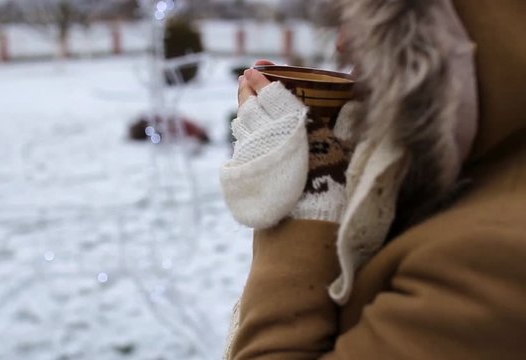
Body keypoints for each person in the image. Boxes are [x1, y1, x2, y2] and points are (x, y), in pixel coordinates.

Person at [220, 0, 526, 359]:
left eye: (376, 17)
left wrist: (303, 193)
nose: (343, 42)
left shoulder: (491, 257)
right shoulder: (481, 176)